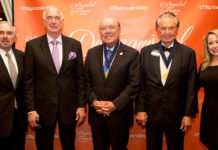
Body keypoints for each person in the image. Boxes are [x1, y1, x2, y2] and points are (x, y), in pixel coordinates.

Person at [23, 6, 86, 150]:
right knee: (44, 146)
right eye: (49, 18)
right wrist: (31, 110)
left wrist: (82, 105)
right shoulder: (32, 46)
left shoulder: (74, 45)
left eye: (56, 18)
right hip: (42, 110)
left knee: (69, 145)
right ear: (44, 22)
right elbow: (28, 81)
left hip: (69, 109)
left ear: (62, 22)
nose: (53, 21)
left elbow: (80, 78)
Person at [135, 12, 198, 150]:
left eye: (171, 28)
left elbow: (191, 86)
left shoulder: (188, 53)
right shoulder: (145, 52)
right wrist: (140, 109)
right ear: (157, 30)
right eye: (163, 28)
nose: (167, 32)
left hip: (177, 114)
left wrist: (188, 114)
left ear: (177, 29)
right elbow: (140, 84)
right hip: (152, 113)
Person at [85, 17, 140, 150]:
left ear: (119, 30)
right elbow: (85, 82)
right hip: (97, 115)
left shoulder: (132, 54)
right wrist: (94, 101)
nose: (107, 31)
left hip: (120, 116)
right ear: (99, 31)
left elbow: (134, 84)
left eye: (111, 27)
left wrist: (115, 105)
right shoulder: (92, 53)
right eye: (103, 28)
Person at [0, 21, 27, 150]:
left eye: (9, 33)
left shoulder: (22, 56)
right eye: (1, 33)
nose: (5, 36)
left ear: (14, 37)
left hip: (19, 120)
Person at [197, 29, 218, 150]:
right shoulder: (204, 65)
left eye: (217, 41)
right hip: (209, 113)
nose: (214, 46)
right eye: (211, 43)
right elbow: (193, 86)